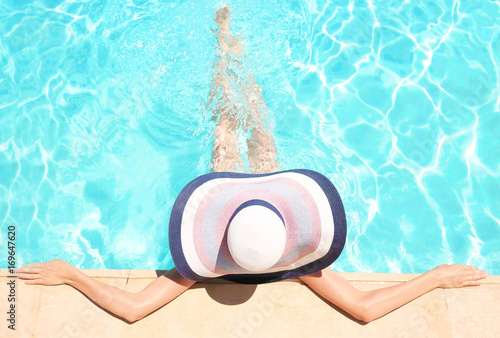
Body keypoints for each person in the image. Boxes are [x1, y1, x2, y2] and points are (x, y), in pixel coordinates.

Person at [17, 6, 487, 324]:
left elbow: (134, 310)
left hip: (255, 204)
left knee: (237, 123)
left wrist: (72, 273)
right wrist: (437, 276)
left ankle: (225, 46)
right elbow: (364, 310)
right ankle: (229, 46)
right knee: (251, 124)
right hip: (254, 206)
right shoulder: (296, 260)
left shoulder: (204, 266)